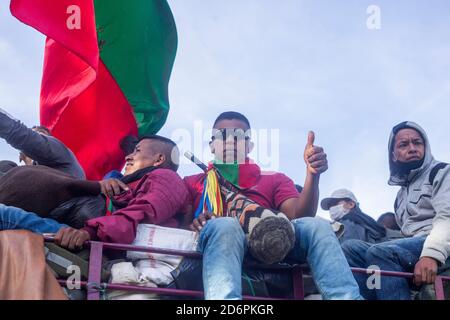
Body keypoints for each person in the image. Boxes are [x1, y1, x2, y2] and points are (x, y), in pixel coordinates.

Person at [183, 111, 362, 300]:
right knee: (225, 225)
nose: (230, 142)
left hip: (270, 242)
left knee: (317, 225)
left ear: (249, 146)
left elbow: (299, 216)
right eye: (222, 136)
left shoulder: (274, 179)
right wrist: (197, 223)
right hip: (222, 244)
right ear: (212, 145)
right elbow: (179, 225)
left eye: (238, 137)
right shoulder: (192, 182)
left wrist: (313, 175)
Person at [0, 135, 189, 249]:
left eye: (137, 151)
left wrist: (89, 232)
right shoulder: (126, 183)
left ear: (159, 159)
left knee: (3, 214)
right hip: (73, 231)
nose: (128, 156)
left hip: (88, 241)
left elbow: (141, 213)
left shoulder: (166, 178)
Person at [342, 121, 450, 300]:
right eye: (404, 144)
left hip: (440, 243)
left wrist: (431, 255)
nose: (412, 148)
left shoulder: (441, 172)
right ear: (393, 155)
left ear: (426, 147)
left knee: (380, 252)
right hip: (414, 245)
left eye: (417, 143)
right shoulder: (399, 198)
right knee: (350, 248)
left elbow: (447, 217)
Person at [321, 189, 386, 243]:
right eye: (330, 206)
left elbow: (348, 251)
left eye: (335, 203)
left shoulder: (349, 220)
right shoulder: (363, 221)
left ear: (351, 204)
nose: (331, 208)